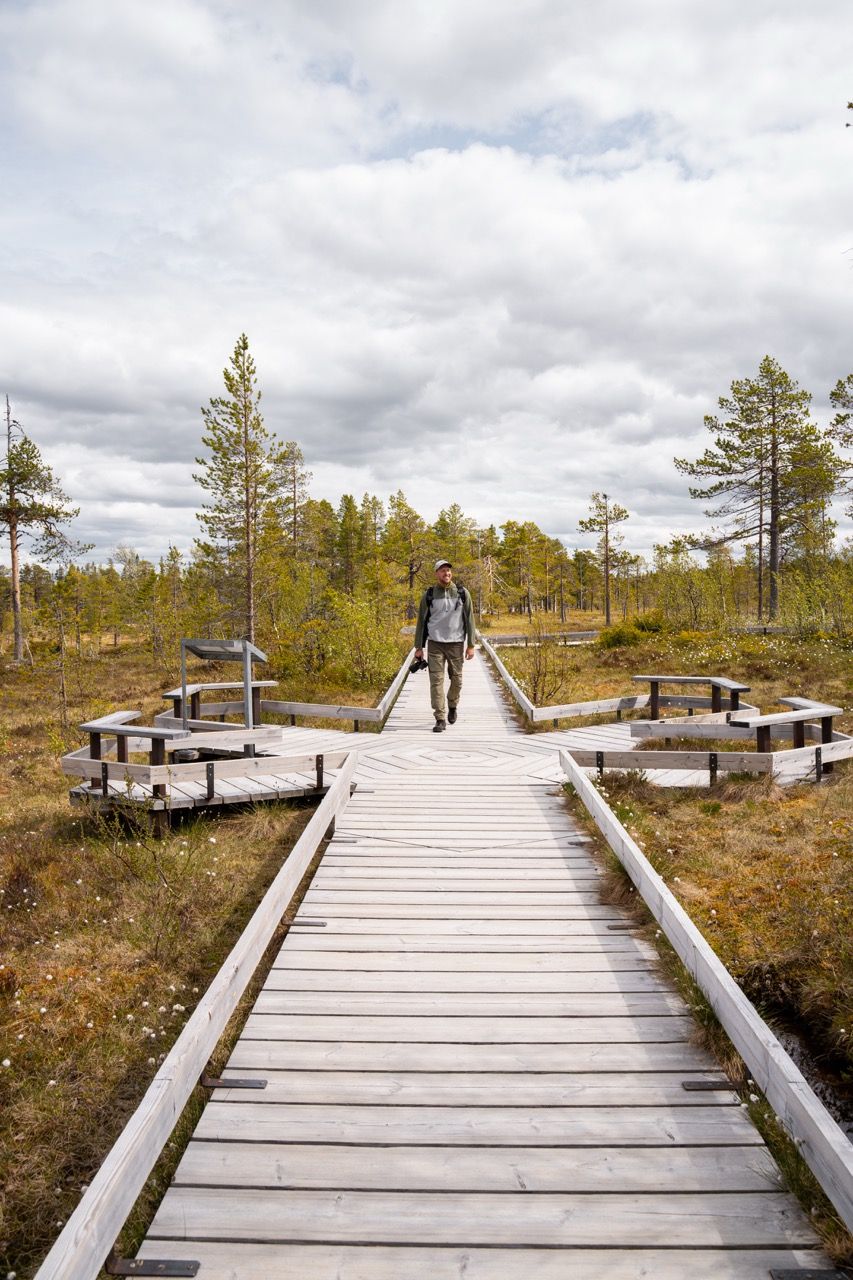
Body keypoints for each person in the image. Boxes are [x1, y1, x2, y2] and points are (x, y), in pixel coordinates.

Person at [414, 558, 476, 732]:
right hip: (435, 644)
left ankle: (452, 705)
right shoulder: (429, 595)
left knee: (457, 680)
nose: (446, 573)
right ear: (436, 574)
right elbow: (421, 622)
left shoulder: (463, 593)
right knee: (436, 681)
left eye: (448, 570)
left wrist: (471, 645)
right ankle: (440, 718)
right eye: (442, 570)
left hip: (456, 643)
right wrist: (418, 647)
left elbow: (470, 620)